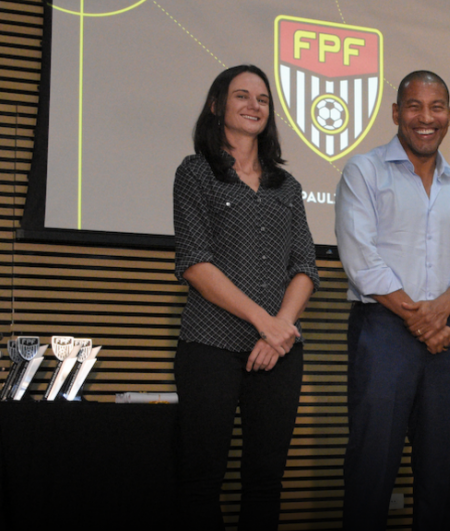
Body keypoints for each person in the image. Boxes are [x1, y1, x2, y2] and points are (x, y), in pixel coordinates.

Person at [334, 70, 450, 531]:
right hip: (382, 332)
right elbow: (361, 260)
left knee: (440, 473)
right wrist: (422, 320)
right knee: (372, 467)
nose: (426, 118)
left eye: (436, 107)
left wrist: (440, 312)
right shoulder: (364, 171)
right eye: (415, 106)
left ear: (449, 115)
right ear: (396, 113)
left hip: (445, 337)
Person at [172, 64, 320, 530]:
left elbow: (306, 267)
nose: (254, 106)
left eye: (262, 99)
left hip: (279, 353)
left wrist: (280, 330)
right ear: (217, 105)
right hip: (209, 346)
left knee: (265, 480)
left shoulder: (287, 186)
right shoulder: (196, 173)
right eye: (242, 96)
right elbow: (195, 263)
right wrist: (267, 323)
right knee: (201, 479)